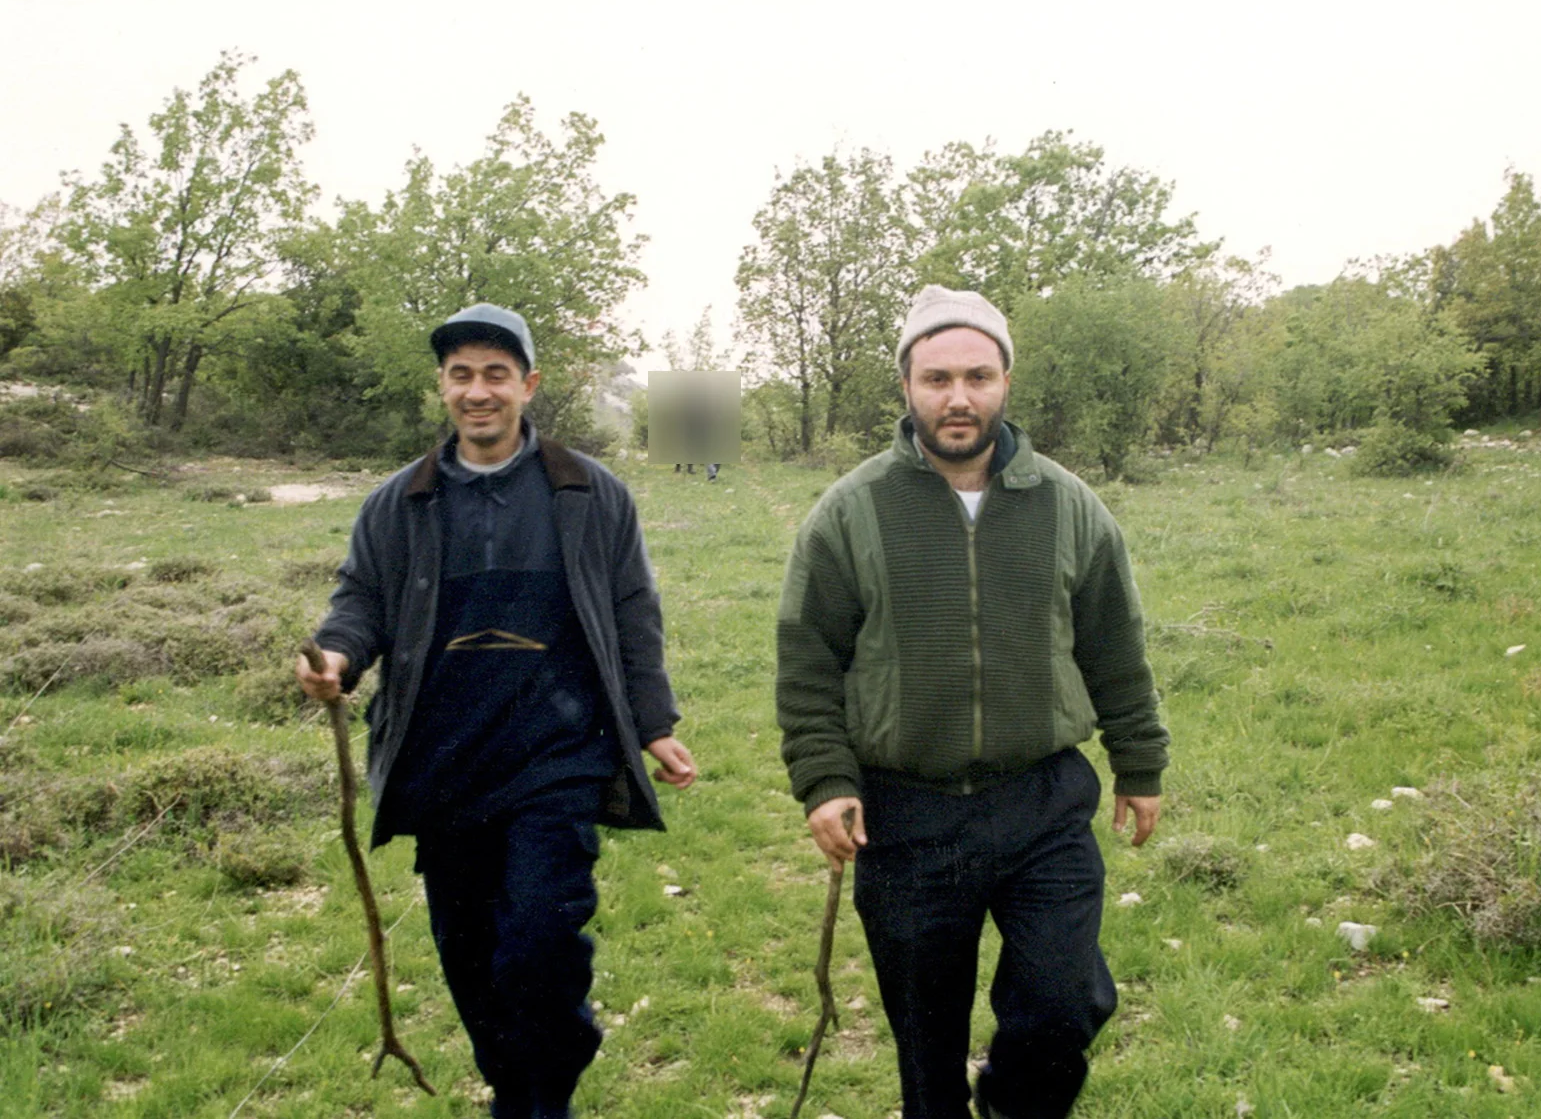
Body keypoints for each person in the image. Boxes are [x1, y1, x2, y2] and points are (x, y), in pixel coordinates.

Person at [776, 285, 1168, 1119]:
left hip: (1041, 802)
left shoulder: (1067, 505)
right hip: (905, 815)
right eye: (937, 378)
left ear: (1005, 382)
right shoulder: (850, 510)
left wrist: (1139, 763)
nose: (958, 397)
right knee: (926, 1047)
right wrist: (824, 780)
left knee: (1063, 1004)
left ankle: (1010, 1104)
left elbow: (1113, 644)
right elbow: (808, 661)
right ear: (906, 387)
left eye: (977, 377)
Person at [296, 303, 696, 1119]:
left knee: (541, 947)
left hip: (556, 758)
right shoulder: (398, 503)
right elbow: (360, 601)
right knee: (470, 958)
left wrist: (652, 724)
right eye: (461, 375)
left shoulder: (589, 493)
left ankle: (544, 1099)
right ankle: (516, 1091)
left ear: (528, 385)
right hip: (445, 765)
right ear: (442, 387)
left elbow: (632, 611)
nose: (477, 392)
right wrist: (335, 656)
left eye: (495, 374)